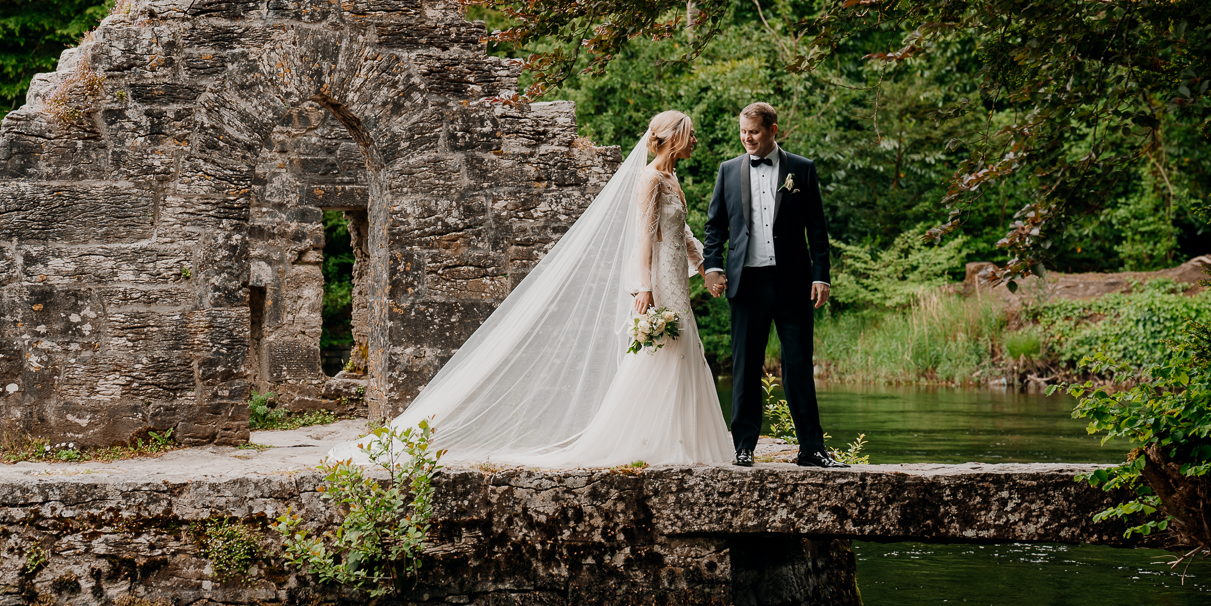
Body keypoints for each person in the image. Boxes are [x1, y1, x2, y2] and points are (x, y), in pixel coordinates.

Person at [324, 110, 727, 468]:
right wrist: (643, 287)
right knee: (659, 353)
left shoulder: (673, 178)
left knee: (681, 351)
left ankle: (681, 438)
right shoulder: (649, 178)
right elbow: (642, 236)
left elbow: (683, 234)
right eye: (690, 135)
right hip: (657, 282)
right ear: (674, 137)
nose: (695, 141)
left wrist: (705, 268)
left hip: (676, 280)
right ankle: (649, 439)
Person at [701, 101, 842, 469]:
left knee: (798, 365)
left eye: (755, 132)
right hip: (746, 283)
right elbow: (715, 226)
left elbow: (818, 227)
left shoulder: (801, 168)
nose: (747, 138)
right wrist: (712, 266)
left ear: (773, 130)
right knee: (746, 366)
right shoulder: (728, 170)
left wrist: (820, 273)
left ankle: (811, 449)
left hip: (793, 282)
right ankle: (744, 447)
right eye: (743, 132)